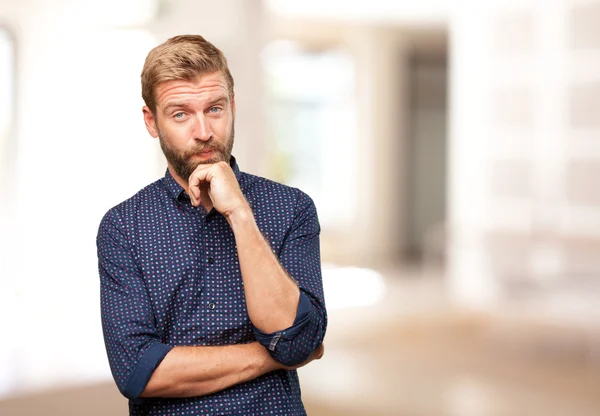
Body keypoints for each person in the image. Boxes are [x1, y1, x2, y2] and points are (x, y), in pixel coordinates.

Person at [97, 35, 327, 416]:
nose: (203, 131)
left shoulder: (291, 208)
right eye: (181, 114)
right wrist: (271, 356)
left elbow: (294, 337)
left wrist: (240, 213)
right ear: (151, 122)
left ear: (233, 107)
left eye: (215, 109)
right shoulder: (123, 227)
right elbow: (137, 372)